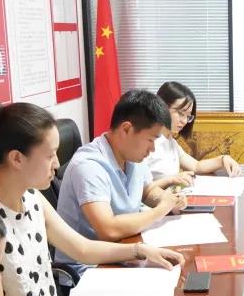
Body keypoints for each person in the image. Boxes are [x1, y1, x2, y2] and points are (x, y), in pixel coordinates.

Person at [0, 98, 184, 296]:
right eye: (50, 155)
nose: (57, 164)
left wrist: (139, 250)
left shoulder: (30, 196)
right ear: (17, 158)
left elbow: (81, 248)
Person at [55, 89, 188, 274]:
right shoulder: (88, 165)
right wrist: (160, 211)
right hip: (88, 269)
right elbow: (108, 230)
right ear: (126, 129)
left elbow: (148, 190)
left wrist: (167, 199)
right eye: (150, 140)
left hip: (125, 250)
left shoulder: (132, 156)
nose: (152, 149)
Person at [143, 81, 241, 184]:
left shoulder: (170, 142)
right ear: (162, 107)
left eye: (188, 116)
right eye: (181, 113)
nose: (184, 121)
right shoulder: (146, 143)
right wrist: (172, 179)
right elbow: (140, 188)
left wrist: (223, 159)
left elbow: (196, 166)